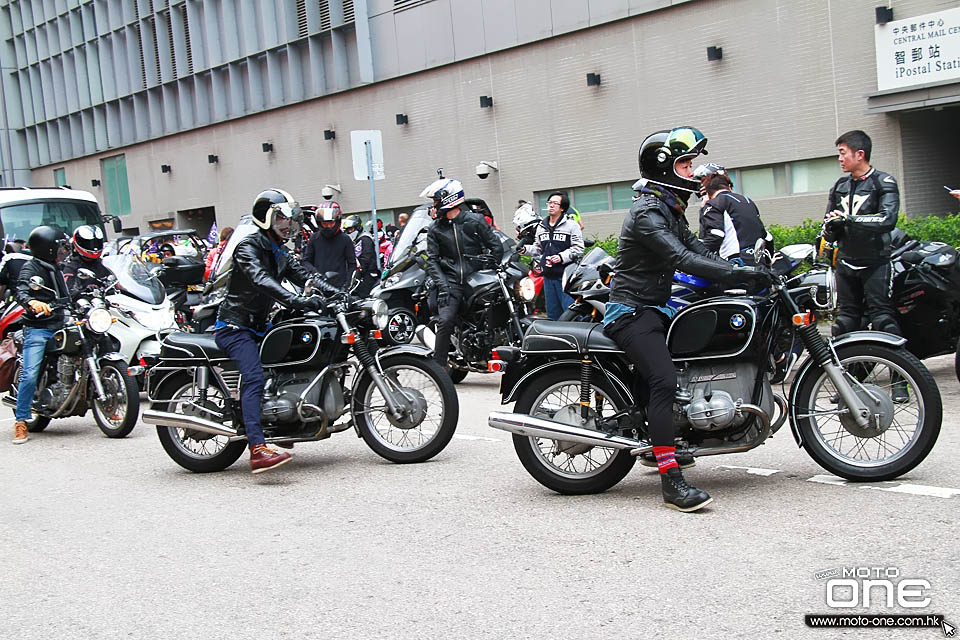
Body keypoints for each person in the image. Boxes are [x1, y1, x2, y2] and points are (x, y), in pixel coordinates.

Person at [603, 126, 772, 512]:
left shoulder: (669, 208)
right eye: (684, 162)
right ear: (663, 168)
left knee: (685, 366)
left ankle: (662, 439)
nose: (692, 171)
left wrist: (744, 266)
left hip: (657, 308)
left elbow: (700, 250)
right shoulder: (648, 211)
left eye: (691, 162)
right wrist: (737, 276)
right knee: (663, 380)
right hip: (632, 310)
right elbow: (680, 258)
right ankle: (671, 482)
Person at [213, 188, 342, 473]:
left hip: (262, 326)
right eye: (281, 218)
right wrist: (295, 299)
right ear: (265, 218)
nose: (287, 224)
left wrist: (341, 295)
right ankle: (258, 449)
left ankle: (287, 419)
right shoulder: (248, 248)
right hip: (236, 327)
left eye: (289, 218)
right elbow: (261, 280)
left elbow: (307, 276)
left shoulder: (279, 250)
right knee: (254, 377)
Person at [822, 130, 901, 339]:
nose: (840, 159)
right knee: (844, 323)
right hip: (846, 262)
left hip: (876, 262)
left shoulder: (883, 181)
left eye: (843, 153)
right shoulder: (840, 186)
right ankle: (849, 370)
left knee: (883, 321)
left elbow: (887, 220)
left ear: (860, 154)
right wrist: (831, 228)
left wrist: (848, 219)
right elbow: (828, 229)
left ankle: (900, 370)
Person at [421, 177, 503, 372]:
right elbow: (431, 260)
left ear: (447, 199)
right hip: (451, 282)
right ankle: (439, 366)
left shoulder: (475, 221)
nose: (433, 205)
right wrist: (442, 286)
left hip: (478, 278)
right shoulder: (435, 229)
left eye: (435, 201)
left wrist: (493, 265)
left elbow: (495, 246)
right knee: (446, 319)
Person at [11, 226, 73, 444]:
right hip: (39, 328)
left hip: (62, 323)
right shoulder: (31, 268)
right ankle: (21, 422)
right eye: (59, 248)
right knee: (29, 374)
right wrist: (32, 303)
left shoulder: (59, 267)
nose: (63, 252)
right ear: (47, 249)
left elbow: (73, 290)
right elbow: (20, 290)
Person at [521, 191, 584, 320]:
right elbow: (538, 249)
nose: (551, 205)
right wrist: (525, 249)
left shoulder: (571, 225)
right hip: (548, 277)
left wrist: (561, 257)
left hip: (566, 278)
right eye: (549, 202)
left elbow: (578, 248)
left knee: (570, 314)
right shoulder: (541, 226)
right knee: (553, 315)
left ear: (562, 208)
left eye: (555, 203)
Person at [695, 168, 773, 265]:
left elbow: (715, 236)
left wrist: (695, 254)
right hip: (758, 263)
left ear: (708, 192)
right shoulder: (747, 201)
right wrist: (769, 262)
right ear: (729, 187)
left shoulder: (714, 203)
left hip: (735, 263)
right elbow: (768, 237)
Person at [303, 202, 355, 289]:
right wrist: (316, 274)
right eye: (324, 224)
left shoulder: (345, 239)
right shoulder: (314, 238)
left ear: (337, 221)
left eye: (331, 223)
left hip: (339, 287)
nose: (328, 226)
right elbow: (306, 261)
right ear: (319, 223)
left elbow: (352, 264)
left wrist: (347, 284)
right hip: (319, 285)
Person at [343, 215, 378, 296]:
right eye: (348, 230)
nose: (349, 232)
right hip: (360, 274)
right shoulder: (357, 240)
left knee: (361, 295)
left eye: (351, 229)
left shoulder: (365, 239)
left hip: (368, 274)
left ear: (358, 227)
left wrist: (359, 272)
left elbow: (366, 258)